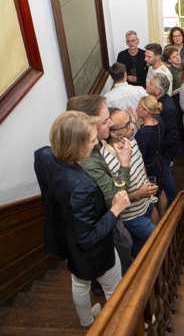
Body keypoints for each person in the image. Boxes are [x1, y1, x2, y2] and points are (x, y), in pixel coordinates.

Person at [34, 111, 130, 328]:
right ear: (76, 145)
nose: (96, 143)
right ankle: (119, 325)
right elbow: (88, 238)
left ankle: (87, 322)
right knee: (114, 288)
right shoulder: (82, 187)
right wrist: (115, 210)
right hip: (94, 252)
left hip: (67, 240)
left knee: (79, 280)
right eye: (92, 140)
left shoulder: (43, 156)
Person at [66, 95, 158, 259]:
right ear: (89, 126)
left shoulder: (116, 142)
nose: (109, 123)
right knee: (155, 240)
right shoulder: (90, 161)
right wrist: (124, 164)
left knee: (138, 247)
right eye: (105, 120)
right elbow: (115, 199)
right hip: (119, 222)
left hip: (144, 204)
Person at [104, 108, 159, 253]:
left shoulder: (130, 140)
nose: (132, 127)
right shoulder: (107, 161)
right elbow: (115, 199)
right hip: (132, 216)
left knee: (144, 246)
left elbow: (141, 166)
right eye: (127, 125)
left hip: (147, 202)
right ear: (113, 133)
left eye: (130, 121)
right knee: (157, 241)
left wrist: (147, 191)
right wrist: (139, 194)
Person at [146, 73, 179, 206]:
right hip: (161, 149)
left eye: (151, 84)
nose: (147, 84)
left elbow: (172, 135)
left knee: (165, 175)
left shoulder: (167, 108)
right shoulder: (157, 101)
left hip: (164, 151)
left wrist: (157, 146)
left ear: (158, 91)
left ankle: (173, 200)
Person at [134, 96, 166, 217]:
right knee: (160, 190)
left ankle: (158, 228)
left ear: (146, 111)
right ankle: (165, 217)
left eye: (139, 107)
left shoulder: (143, 133)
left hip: (149, 168)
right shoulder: (160, 121)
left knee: (151, 200)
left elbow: (139, 156)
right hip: (159, 162)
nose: (136, 109)